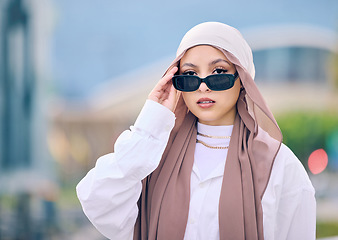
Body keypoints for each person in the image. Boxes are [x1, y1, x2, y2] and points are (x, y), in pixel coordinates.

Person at [76, 22, 316, 240]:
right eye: (190, 75)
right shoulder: (153, 156)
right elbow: (97, 199)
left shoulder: (279, 165)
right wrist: (151, 120)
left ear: (242, 79)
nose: (202, 86)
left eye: (219, 72)